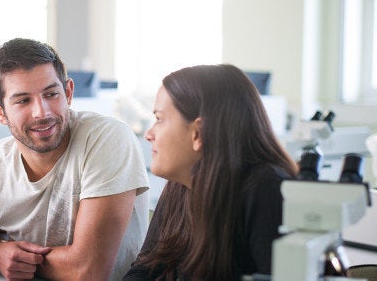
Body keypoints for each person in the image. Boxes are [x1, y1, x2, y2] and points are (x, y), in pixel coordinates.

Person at [0, 38, 150, 280]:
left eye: (51, 94)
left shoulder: (107, 138)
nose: (42, 112)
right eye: (22, 100)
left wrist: (23, 262)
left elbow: (88, 271)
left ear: (69, 93)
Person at [124, 64, 298, 280]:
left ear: (199, 132)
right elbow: (145, 268)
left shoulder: (267, 190)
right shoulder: (179, 186)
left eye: (159, 119)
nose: (149, 134)